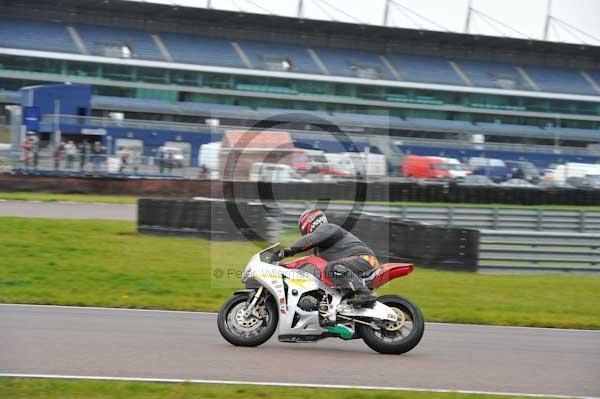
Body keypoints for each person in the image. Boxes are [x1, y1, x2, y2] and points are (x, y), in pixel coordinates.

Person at [276, 209, 379, 307]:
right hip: (354, 264)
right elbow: (310, 262)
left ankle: (365, 293)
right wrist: (285, 267)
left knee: (333, 267)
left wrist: (286, 252)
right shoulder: (320, 247)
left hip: (364, 259)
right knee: (324, 275)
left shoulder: (327, 228)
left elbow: (309, 240)